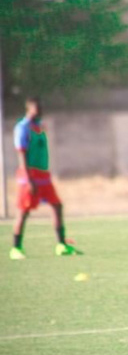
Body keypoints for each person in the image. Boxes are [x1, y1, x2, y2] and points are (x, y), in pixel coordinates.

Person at [9, 97, 82, 260]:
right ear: (29, 109)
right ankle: (16, 248)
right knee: (24, 211)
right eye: (37, 108)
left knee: (57, 206)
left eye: (41, 108)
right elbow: (21, 152)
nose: (40, 111)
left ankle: (61, 245)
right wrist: (29, 179)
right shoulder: (22, 127)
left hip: (43, 175)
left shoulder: (39, 127)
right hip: (29, 175)